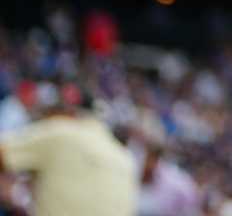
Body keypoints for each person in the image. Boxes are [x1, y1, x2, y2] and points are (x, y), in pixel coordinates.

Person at [0, 86, 136, 216]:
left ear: (69, 112)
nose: (46, 117)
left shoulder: (60, 130)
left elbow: (2, 153)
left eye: (53, 111)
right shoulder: (125, 157)